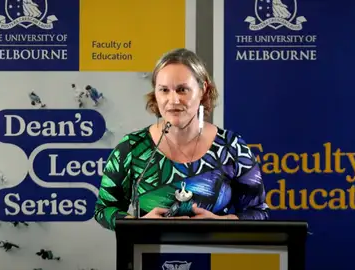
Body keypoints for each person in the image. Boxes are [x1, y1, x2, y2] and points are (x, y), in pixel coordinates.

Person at [94, 48, 269, 230]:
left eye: (182, 90)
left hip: (216, 255)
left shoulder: (231, 147)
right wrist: (139, 225)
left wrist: (222, 224)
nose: (173, 100)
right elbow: (103, 210)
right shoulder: (132, 147)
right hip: (148, 255)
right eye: (164, 90)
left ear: (203, 90)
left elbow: (258, 211)